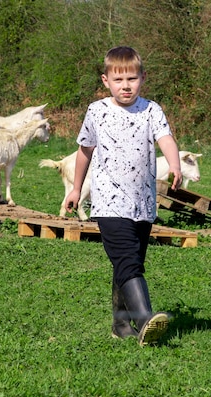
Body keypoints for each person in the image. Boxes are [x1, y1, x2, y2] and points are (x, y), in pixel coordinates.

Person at [64, 46, 183, 346]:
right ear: (106, 81)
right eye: (119, 80)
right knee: (129, 263)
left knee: (127, 264)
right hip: (108, 203)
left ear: (143, 77)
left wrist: (175, 163)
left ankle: (120, 324)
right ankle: (145, 321)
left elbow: (165, 138)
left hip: (142, 204)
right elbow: (84, 151)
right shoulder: (97, 111)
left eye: (132, 78)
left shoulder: (151, 110)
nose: (126, 85)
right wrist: (77, 189)